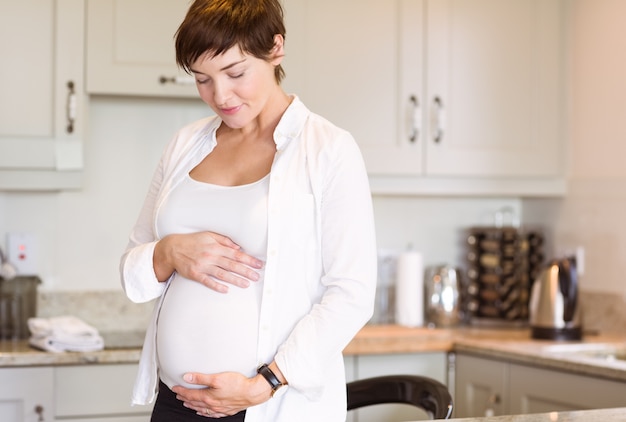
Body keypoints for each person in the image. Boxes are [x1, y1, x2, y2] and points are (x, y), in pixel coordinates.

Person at [119, 0, 377, 420]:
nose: (219, 95)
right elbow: (134, 266)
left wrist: (265, 383)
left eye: (235, 73)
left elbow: (351, 293)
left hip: (269, 405)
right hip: (176, 402)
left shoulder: (328, 149)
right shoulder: (184, 145)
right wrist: (167, 252)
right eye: (202, 79)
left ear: (276, 49)